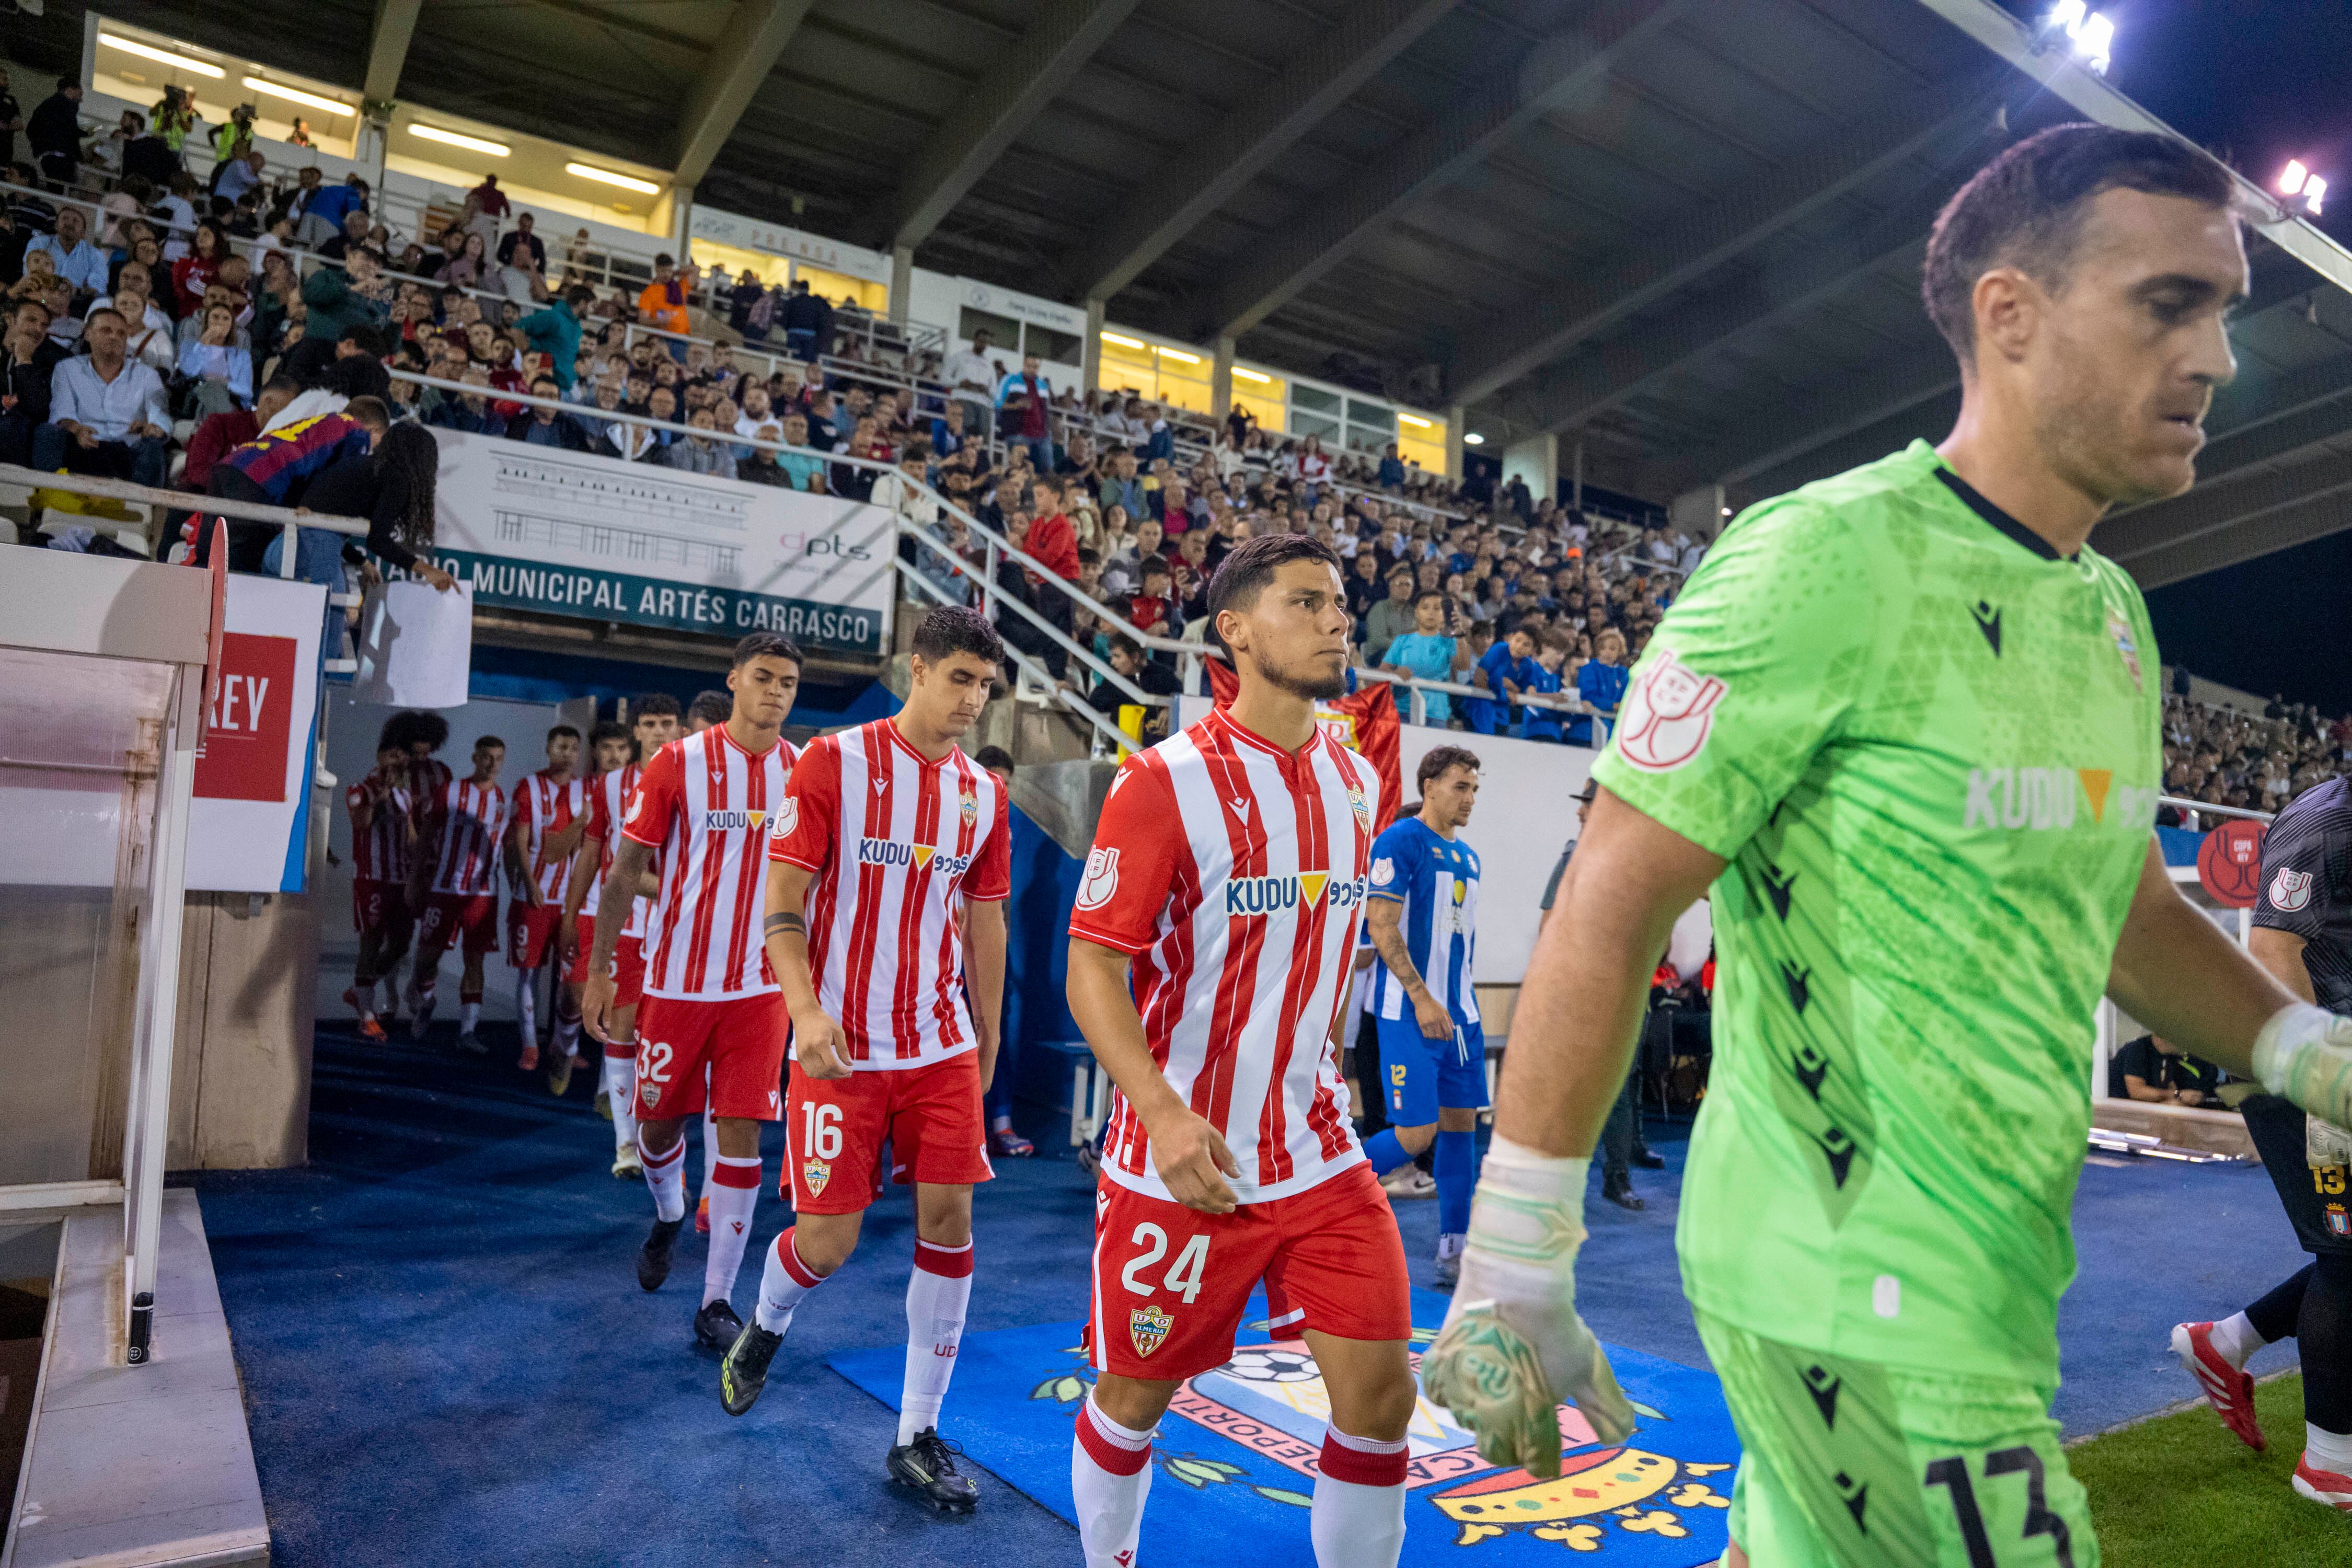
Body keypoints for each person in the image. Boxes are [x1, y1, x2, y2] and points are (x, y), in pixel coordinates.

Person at [1419, 123, 2352, 1565]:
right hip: (1842, 1283)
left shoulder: (2108, 613)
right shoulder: (1820, 559)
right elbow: (1609, 895)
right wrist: (1512, 1257)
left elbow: (2116, 902)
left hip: (1990, 1276)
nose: (2217, 358)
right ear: (2010, 313)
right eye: (2169, 304)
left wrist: (2302, 1054)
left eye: (2221, 310)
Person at [1062, 534, 1414, 1568]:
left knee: (1382, 1402)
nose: (1337, 620)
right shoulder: (1164, 781)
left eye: (1341, 604)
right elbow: (1093, 971)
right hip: (1186, 1163)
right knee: (1132, 1401)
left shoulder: (1359, 783)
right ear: (1237, 631)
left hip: (1320, 1155)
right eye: (1307, 603)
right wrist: (1163, 1114)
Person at [720, 608, 1010, 1518]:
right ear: (916, 670)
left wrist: (989, 1029)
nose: (973, 701)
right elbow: (783, 901)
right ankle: (765, 1324)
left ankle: (916, 1434)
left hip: (940, 1045)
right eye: (960, 678)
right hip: (841, 1047)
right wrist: (803, 1011)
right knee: (829, 1243)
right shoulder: (834, 763)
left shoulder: (982, 794)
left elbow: (986, 916)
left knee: (952, 1220)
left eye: (987, 688)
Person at [582, 634, 803, 1351]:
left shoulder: (804, 773)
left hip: (759, 989)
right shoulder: (679, 763)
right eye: (763, 678)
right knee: (659, 1131)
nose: (775, 692)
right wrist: (601, 967)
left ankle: (716, 1301)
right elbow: (623, 874)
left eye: (788, 683)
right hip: (676, 983)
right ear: (735, 681)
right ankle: (670, 1214)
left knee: (741, 1132)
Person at [2173, 771, 2352, 1509]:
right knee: (2347, 1258)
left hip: (2336, 1065)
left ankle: (2227, 1342)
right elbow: (2272, 956)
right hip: (2292, 1069)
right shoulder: (2324, 824)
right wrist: (2326, 1091)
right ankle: (2328, 1466)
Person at [1358, 747, 1485, 1290]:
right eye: (1461, 786)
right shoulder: (1400, 840)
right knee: (1415, 1135)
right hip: (1410, 1013)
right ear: (1429, 785)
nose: (1470, 798)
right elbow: (1381, 926)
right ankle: (1312, 1188)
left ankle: (1455, 1248)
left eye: (1475, 789)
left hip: (1464, 1018)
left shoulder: (1471, 858)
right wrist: (1422, 998)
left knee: (1462, 1129)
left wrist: (1456, 1006)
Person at [562, 697, 679, 1160]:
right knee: (620, 1025)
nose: (658, 732)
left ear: (680, 728)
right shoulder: (610, 787)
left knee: (662, 1036)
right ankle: (626, 1143)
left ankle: (657, 1139)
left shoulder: (696, 780)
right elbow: (592, 855)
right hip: (622, 924)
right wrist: (570, 917)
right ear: (636, 731)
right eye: (649, 724)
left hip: (676, 927)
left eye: (666, 723)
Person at [407, 735, 511, 1055]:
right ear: (474, 758)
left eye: (498, 758)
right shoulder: (451, 791)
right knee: (427, 958)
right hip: (444, 888)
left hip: (483, 893)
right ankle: (425, 999)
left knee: (474, 960)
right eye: (486, 757)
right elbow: (427, 833)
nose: (492, 764)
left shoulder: (504, 800)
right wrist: (415, 879)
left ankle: (468, 1031)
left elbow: (506, 847)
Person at [502, 725, 587, 1073]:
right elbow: (519, 842)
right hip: (533, 897)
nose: (567, 754)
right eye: (561, 746)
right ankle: (531, 1046)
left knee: (571, 979)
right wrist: (529, 882)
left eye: (573, 748)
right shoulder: (529, 787)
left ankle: (565, 1044)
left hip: (571, 900)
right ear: (549, 749)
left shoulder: (586, 791)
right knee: (530, 973)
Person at [36, 308, 171, 487]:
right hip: (83, 444)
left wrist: (152, 427)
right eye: (106, 331)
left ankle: (147, 510)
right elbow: (62, 412)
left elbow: (160, 418)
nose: (115, 337)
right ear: (88, 334)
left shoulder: (147, 375)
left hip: (128, 450)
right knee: (47, 433)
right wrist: (77, 429)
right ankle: (42, 502)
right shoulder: (67, 369)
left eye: (121, 333)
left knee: (152, 447)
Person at [345, 719, 420, 1042]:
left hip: (400, 882)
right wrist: (382, 794)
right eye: (391, 756)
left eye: (401, 756)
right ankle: (368, 1014)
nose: (397, 762)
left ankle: (358, 991)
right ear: (379, 757)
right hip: (371, 881)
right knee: (371, 944)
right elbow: (361, 822)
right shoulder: (359, 790)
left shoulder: (408, 797)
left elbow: (413, 841)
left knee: (402, 944)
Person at [1380, 591, 1463, 727]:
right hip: (1402, 710)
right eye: (1425, 608)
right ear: (1417, 612)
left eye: (1437, 608)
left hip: (1437, 714)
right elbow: (1383, 669)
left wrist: (1460, 635)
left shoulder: (1449, 642)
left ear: (1444, 615)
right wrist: (1396, 674)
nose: (1431, 612)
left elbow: (1463, 665)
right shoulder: (1402, 640)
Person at [26, 80, 79, 190]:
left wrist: (41, 149)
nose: (81, 99)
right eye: (79, 94)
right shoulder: (66, 108)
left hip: (51, 156)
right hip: (61, 159)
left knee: (55, 189)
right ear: (69, 90)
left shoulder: (47, 105)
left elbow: (31, 129)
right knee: (61, 191)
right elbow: (71, 133)